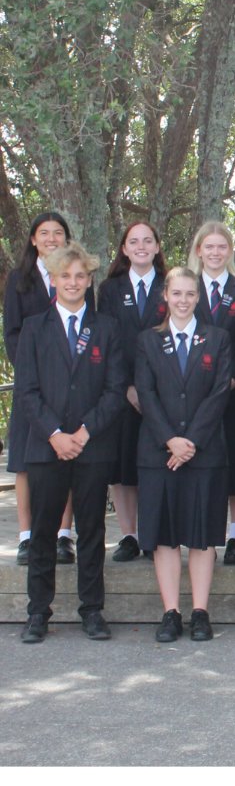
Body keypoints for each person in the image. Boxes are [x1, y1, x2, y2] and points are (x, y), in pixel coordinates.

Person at [16, 242, 125, 643]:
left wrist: (83, 433)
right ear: (55, 281)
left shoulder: (107, 328)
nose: (74, 282)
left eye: (80, 276)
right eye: (66, 276)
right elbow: (26, 392)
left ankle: (92, 610)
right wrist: (55, 435)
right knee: (44, 532)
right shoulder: (33, 328)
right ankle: (37, 613)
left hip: (92, 446)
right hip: (47, 448)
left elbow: (115, 391)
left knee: (92, 530)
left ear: (89, 279)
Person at [134, 267, 232, 642]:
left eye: (190, 294)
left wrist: (190, 441)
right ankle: (171, 612)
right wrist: (170, 441)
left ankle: (200, 612)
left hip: (204, 452)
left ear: (198, 297)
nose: (183, 300)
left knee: (202, 535)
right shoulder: (147, 341)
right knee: (165, 536)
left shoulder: (218, 339)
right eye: (177, 293)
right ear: (166, 297)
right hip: (159, 454)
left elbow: (219, 393)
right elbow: (146, 394)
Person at [3, 212, 87, 566]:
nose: (51, 238)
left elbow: (87, 330)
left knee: (66, 458)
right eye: (44, 233)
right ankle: (26, 536)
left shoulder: (78, 278)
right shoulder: (19, 279)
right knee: (25, 461)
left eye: (58, 233)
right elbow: (12, 333)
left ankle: (63, 535)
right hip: (32, 387)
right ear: (33, 240)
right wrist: (32, 374)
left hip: (70, 384)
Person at [96, 221, 168, 561]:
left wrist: (152, 390)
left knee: (156, 465)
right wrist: (126, 387)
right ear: (124, 249)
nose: (141, 246)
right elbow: (107, 342)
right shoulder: (110, 290)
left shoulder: (173, 286)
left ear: (157, 247)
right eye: (133, 241)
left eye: (147, 240)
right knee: (122, 465)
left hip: (164, 395)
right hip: (121, 394)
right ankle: (129, 535)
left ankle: (154, 533)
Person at [188, 221, 235, 566]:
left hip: (232, 393)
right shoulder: (187, 286)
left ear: (230, 252)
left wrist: (231, 378)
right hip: (193, 394)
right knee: (202, 462)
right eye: (209, 247)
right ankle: (204, 533)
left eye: (221, 247)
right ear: (199, 250)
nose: (215, 253)